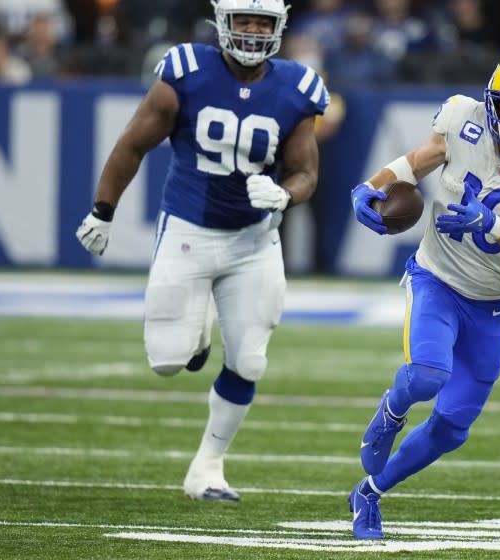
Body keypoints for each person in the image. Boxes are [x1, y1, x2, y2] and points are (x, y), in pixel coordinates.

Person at [74, 0, 328, 501]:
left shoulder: (297, 86)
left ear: (279, 28)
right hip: (189, 230)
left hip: (255, 240)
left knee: (250, 362)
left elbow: (306, 171)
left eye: (264, 22)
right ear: (223, 23)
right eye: (245, 20)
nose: (253, 31)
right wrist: (102, 210)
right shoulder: (186, 70)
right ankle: (198, 335)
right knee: (168, 360)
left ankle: (208, 467)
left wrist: (285, 193)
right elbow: (132, 144)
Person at [348, 50, 500, 539]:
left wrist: (496, 224)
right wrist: (369, 186)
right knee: (427, 373)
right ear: (493, 100)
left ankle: (369, 493)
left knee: (453, 428)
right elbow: (416, 162)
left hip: (494, 302)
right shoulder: (464, 118)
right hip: (437, 277)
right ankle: (391, 410)